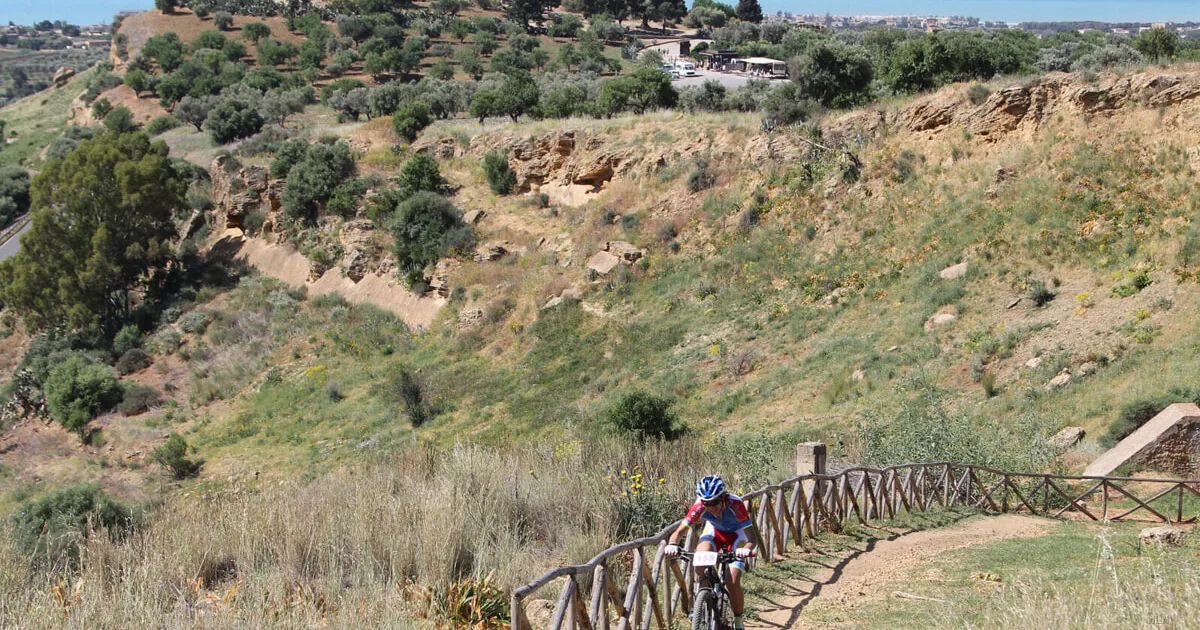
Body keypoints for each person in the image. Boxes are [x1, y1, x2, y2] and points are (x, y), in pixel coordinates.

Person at [664, 475, 758, 630]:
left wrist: (745, 550)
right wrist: (672, 544)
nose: (711, 507)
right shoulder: (699, 506)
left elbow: (752, 538)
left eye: (714, 502)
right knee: (700, 564)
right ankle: (703, 605)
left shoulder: (735, 505)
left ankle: (738, 622)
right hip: (714, 532)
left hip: (737, 536)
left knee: (732, 580)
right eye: (707, 503)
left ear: (723, 497)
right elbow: (679, 531)